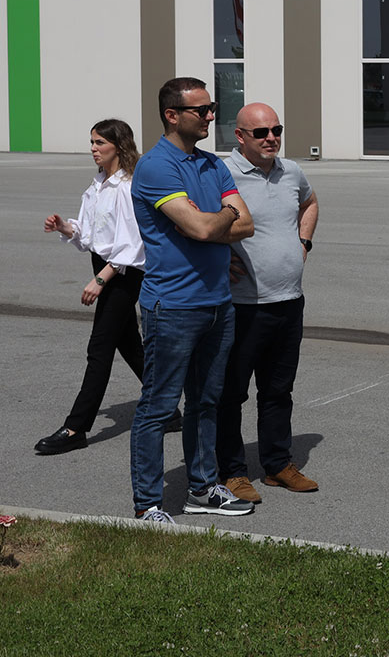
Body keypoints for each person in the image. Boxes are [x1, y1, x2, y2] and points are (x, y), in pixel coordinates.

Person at [129, 78, 256, 523]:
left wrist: (210, 222)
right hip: (172, 307)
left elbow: (246, 225)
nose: (210, 116)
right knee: (159, 407)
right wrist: (221, 217)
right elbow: (204, 227)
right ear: (171, 115)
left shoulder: (212, 163)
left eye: (211, 107)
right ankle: (148, 504)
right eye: (201, 110)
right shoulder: (155, 167)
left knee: (206, 402)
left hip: (218, 304)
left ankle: (201, 489)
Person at [38, 119, 168, 454]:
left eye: (100, 143)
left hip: (123, 274)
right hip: (105, 267)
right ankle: (168, 410)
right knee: (129, 344)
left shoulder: (127, 186)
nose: (93, 149)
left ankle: (76, 428)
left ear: (119, 145)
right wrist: (65, 227)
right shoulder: (98, 184)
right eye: (92, 142)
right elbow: (90, 235)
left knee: (99, 348)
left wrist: (100, 280)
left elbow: (133, 244)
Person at [216, 103, 320, 503]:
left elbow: (310, 203)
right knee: (231, 394)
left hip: (289, 301)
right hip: (242, 306)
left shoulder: (291, 171)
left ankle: (277, 464)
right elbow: (192, 222)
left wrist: (303, 241)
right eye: (261, 132)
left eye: (276, 130)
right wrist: (217, 258)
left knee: (278, 390)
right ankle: (232, 471)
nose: (271, 138)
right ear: (240, 136)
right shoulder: (222, 173)